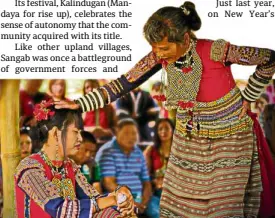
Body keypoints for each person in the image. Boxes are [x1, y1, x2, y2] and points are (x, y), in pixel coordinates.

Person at [55, 1, 275, 217]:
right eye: (154, 49)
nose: (159, 54)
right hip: (189, 141)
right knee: (179, 206)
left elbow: (269, 58)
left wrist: (249, 95)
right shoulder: (159, 57)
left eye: (164, 48)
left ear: (185, 38)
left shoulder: (217, 50)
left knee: (223, 209)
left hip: (230, 138)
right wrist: (81, 103)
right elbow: (123, 83)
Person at [15, 100, 136, 217]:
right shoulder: (30, 168)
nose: (80, 138)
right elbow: (61, 210)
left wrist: (119, 196)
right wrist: (111, 200)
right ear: (56, 133)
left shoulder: (69, 166)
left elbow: (93, 198)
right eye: (75, 132)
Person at [97, 119, 153, 217]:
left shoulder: (138, 152)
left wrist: (144, 202)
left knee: (161, 210)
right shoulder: (107, 152)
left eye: (134, 133)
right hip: (118, 200)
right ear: (117, 132)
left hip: (141, 199)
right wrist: (131, 202)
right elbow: (108, 183)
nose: (131, 137)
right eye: (127, 133)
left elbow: (146, 182)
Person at [143, 118, 174, 218]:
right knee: (155, 211)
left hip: (175, 193)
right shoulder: (151, 150)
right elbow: (144, 175)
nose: (163, 131)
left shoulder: (180, 149)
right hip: (157, 193)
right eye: (160, 129)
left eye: (166, 128)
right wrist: (154, 182)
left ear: (173, 130)